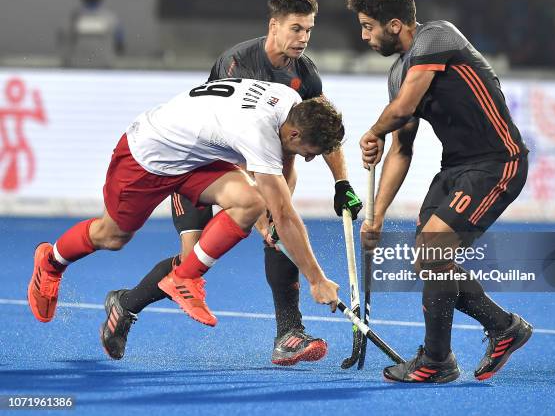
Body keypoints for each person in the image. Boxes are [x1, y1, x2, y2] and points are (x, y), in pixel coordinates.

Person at [99, 0, 362, 363]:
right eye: (295, 29)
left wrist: (341, 183)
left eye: (308, 30)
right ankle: (126, 303)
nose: (303, 38)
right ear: (274, 25)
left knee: (281, 227)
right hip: (196, 164)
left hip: (251, 167)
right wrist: (265, 208)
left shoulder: (304, 75)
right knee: (193, 261)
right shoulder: (239, 63)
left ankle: (288, 332)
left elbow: (316, 130)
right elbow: (234, 143)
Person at [27, 79, 342, 352]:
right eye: (310, 151)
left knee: (250, 202)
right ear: (296, 132)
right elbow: (286, 214)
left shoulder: (289, 103)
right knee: (112, 236)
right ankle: (51, 262)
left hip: (195, 158)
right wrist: (317, 280)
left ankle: (183, 276)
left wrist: (271, 217)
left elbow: (282, 169)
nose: (311, 158)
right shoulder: (257, 131)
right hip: (147, 157)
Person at [347, 0, 532, 383]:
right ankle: (502, 328)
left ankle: (436, 360)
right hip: (455, 169)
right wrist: (375, 215)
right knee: (431, 261)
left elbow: (403, 109)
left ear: (394, 24)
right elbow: (402, 150)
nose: (363, 35)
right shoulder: (398, 73)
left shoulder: (438, 36)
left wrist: (373, 130)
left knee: (433, 249)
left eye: (367, 26)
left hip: (497, 161)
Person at [61, 0, 125, 68]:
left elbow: (63, 43)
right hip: (104, 66)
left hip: (76, 67)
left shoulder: (71, 19)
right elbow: (120, 47)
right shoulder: (111, 19)